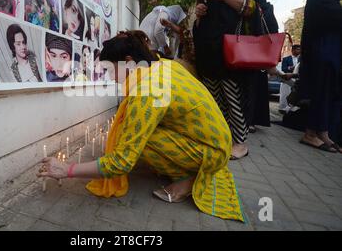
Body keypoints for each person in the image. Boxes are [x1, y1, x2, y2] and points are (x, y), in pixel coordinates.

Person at [37, 30, 245, 222]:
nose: (110, 77)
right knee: (134, 130)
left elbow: (122, 161)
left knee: (135, 140)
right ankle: (183, 166)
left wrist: (68, 169)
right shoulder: (161, 65)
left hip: (213, 152)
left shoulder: (148, 90)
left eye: (110, 70)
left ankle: (187, 180)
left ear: (128, 62)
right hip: (217, 141)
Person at [193, 0, 279, 160]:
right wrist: (200, 12)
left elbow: (258, 9)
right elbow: (203, 24)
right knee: (214, 98)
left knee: (234, 97)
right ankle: (221, 137)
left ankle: (241, 143)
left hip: (233, 52)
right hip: (209, 53)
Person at [298, 0, 342, 153]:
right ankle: (310, 133)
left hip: (331, 56)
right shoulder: (317, 0)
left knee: (330, 94)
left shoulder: (329, 1)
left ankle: (323, 133)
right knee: (321, 94)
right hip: (322, 56)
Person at [279, 45, 301, 114]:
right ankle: (283, 108)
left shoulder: (302, 59)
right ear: (293, 50)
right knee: (284, 94)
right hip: (288, 79)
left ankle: (291, 109)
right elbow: (283, 69)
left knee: (293, 95)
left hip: (297, 80)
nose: (299, 51)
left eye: (299, 49)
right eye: (297, 49)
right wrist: (290, 68)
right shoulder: (286, 59)